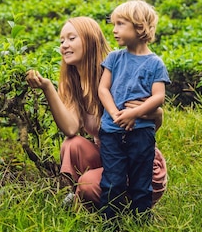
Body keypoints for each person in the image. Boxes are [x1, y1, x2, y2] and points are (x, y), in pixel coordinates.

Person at [25, 16, 167, 211]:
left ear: (90, 39)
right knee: (72, 144)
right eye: (61, 41)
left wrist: (153, 113)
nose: (64, 45)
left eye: (71, 38)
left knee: (89, 183)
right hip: (111, 157)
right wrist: (48, 87)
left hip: (139, 162)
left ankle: (123, 205)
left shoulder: (115, 72)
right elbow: (70, 128)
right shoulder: (74, 82)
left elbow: (154, 117)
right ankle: (92, 197)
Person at [97, 0, 170, 219]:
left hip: (141, 133)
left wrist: (134, 114)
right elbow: (103, 89)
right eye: (113, 24)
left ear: (140, 27)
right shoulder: (114, 58)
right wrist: (116, 115)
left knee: (141, 179)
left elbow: (159, 97)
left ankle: (141, 219)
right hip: (111, 132)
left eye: (120, 24)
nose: (114, 30)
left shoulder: (155, 63)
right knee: (113, 180)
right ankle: (110, 221)